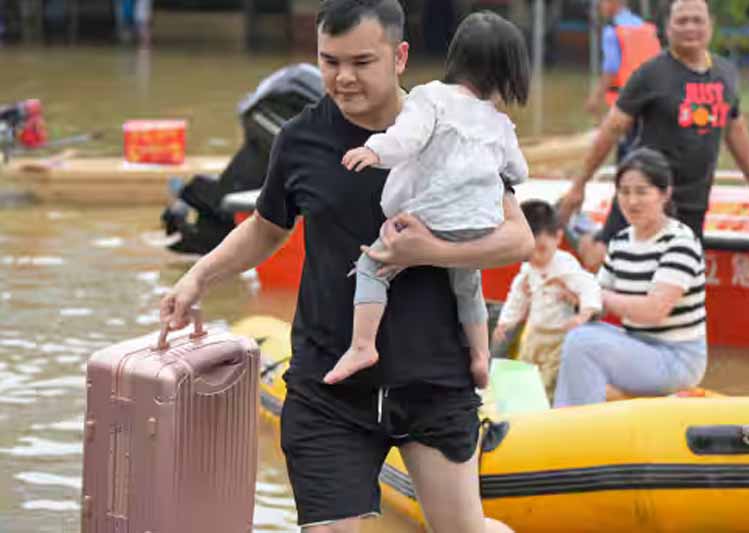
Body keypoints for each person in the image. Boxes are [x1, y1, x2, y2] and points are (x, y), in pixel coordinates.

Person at [158, 2, 532, 532]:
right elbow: (266, 228)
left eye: (361, 62)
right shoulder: (300, 139)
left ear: (399, 57)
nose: (343, 78)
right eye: (329, 61)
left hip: (433, 377)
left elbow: (517, 238)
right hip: (329, 385)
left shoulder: (449, 122)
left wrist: (428, 252)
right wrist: (197, 277)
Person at [325, 11, 531, 389]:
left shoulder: (431, 97)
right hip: (478, 225)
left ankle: (362, 345)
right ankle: (480, 355)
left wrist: (374, 151)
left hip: (427, 218)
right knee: (468, 286)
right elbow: (518, 171)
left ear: (457, 57)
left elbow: (407, 139)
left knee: (371, 267)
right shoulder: (499, 123)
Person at [561, 0, 749, 270]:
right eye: (682, 21)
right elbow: (611, 129)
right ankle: (584, 237)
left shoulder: (725, 73)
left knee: (681, 273)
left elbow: (736, 130)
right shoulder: (651, 74)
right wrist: (579, 185)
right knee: (606, 262)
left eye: (697, 20)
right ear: (668, 29)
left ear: (711, 26)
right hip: (645, 194)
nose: (690, 27)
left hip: (693, 200)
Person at [554, 148, 707, 407]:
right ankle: (576, 411)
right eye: (624, 192)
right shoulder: (621, 241)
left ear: (665, 194)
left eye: (641, 192)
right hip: (638, 346)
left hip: (677, 359)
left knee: (583, 343)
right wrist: (574, 295)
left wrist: (598, 295)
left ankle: (572, 423)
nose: (632, 201)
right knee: (573, 332)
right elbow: (598, 304)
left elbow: (654, 311)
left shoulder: (680, 242)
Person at [493, 200, 601, 399]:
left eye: (541, 249)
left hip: (558, 335)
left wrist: (584, 313)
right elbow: (517, 296)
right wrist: (506, 322)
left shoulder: (565, 265)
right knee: (526, 370)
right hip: (534, 332)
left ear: (558, 237)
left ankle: (546, 404)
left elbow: (588, 286)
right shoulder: (528, 268)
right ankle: (524, 402)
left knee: (549, 380)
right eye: (529, 250)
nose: (535, 257)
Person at [585, 0, 661, 162]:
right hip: (652, 100)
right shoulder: (646, 28)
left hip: (627, 102)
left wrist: (595, 98)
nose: (600, 6)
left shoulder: (613, 31)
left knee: (626, 153)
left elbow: (610, 69)